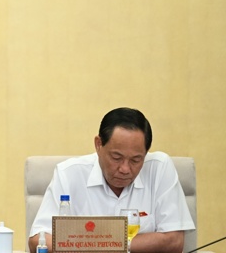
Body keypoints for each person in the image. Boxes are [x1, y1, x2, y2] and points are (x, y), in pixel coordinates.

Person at [28, 107, 194, 253]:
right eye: (116, 157)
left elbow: (174, 242)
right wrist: (114, 243)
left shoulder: (159, 168)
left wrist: (99, 243)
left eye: (136, 160)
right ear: (98, 145)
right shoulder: (69, 174)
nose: (125, 169)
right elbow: (38, 241)